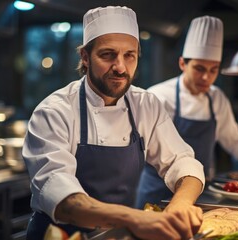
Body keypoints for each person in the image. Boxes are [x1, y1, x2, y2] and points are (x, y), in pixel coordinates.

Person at [23, 6, 206, 240]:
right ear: (85, 57)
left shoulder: (145, 104)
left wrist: (180, 203)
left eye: (129, 55)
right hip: (58, 234)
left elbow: (182, 161)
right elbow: (63, 200)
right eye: (108, 54)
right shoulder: (54, 112)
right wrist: (135, 218)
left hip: (116, 234)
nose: (120, 67)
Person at [135, 16, 238, 209]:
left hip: (199, 192)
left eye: (213, 70)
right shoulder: (158, 96)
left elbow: (233, 139)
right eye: (199, 69)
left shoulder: (216, 98)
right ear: (182, 64)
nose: (206, 77)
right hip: (155, 191)